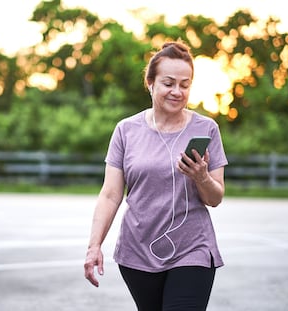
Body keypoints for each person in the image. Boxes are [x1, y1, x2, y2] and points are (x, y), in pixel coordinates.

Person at [84, 40, 228, 311]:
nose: (177, 91)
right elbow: (111, 194)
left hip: (192, 248)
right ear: (150, 84)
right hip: (138, 250)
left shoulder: (206, 129)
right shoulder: (126, 130)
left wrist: (201, 177)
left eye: (185, 85)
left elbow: (215, 197)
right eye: (168, 83)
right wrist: (94, 246)